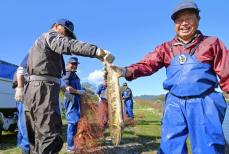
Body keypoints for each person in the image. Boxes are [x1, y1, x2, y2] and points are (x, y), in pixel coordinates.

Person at [113, 1, 228, 153]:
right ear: (174, 24)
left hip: (205, 103)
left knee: (209, 147)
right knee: (170, 147)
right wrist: (125, 70)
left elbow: (227, 72)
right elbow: (147, 64)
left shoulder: (212, 43)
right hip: (175, 104)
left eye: (189, 18)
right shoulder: (165, 48)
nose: (184, 23)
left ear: (198, 19)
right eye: (180, 20)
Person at [14, 18, 115, 154]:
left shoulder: (51, 53)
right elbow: (67, 44)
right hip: (43, 90)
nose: (66, 36)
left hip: (40, 90)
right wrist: (97, 52)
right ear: (56, 26)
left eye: (69, 34)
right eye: (65, 32)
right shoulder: (50, 36)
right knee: (48, 135)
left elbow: (60, 80)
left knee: (37, 137)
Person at [62, 57, 85, 152]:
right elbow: (66, 88)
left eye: (76, 64)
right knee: (72, 123)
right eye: (72, 63)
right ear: (68, 64)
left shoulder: (75, 75)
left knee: (76, 123)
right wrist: (78, 92)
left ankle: (75, 144)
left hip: (77, 99)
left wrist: (83, 90)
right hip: (71, 99)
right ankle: (70, 147)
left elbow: (78, 86)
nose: (74, 65)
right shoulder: (67, 74)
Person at [12, 54, 30, 154]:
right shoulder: (33, 55)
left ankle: (21, 145)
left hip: (23, 91)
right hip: (24, 93)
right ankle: (26, 148)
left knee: (21, 122)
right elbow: (20, 72)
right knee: (25, 122)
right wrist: (20, 88)